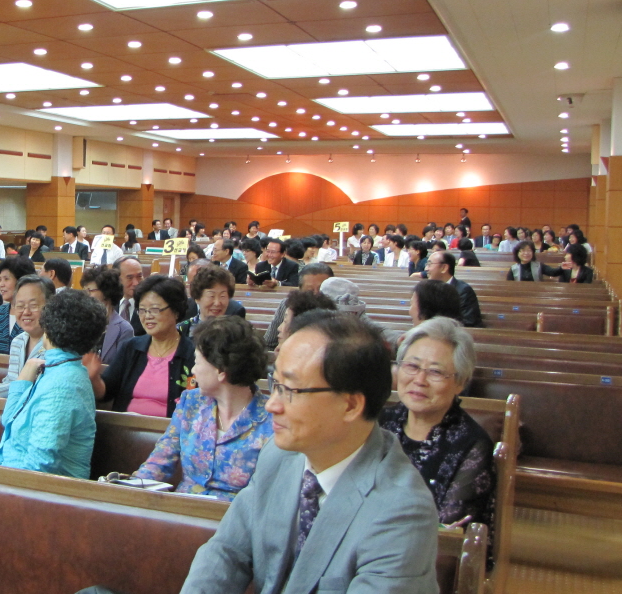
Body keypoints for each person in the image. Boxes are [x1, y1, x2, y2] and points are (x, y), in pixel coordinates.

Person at [180, 313, 439, 593]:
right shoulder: (279, 456)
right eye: (275, 384)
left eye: (290, 390)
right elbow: (227, 552)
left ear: (351, 405)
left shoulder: (401, 510)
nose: (272, 405)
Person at [133, 316, 272, 500]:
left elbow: (269, 494)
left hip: (236, 514)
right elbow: (161, 459)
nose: (193, 370)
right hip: (183, 509)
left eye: (197, 362)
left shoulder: (271, 420)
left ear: (221, 370)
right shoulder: (191, 402)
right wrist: (130, 488)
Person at [380, 317, 495, 537]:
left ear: (460, 382)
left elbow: (449, 531)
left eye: (435, 372)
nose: (420, 380)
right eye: (412, 366)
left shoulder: (472, 446)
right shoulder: (378, 423)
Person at [0, 289, 107, 478]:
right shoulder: (57, 367)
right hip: (12, 476)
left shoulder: (63, 385)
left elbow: (39, 466)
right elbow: (9, 421)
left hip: (31, 488)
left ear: (47, 326)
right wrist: (24, 378)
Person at [89, 275, 195, 418]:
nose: (147, 316)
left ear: (176, 311)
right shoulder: (131, 347)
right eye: (142, 310)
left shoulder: (191, 353)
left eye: (155, 309)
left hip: (170, 430)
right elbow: (106, 393)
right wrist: (94, 378)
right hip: (125, 428)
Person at [0, 275, 55, 398]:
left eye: (33, 305)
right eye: (20, 306)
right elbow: (12, 381)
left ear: (50, 306)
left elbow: (38, 386)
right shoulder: (18, 341)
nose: (26, 312)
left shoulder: (55, 344)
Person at [263, 263, 334, 350]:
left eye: (321, 289)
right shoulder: (288, 304)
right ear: (300, 290)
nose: (316, 294)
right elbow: (269, 343)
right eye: (310, 290)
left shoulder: (335, 308)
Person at [79, 266, 134, 366]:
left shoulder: (124, 329)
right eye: (85, 290)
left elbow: (122, 368)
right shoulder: (81, 322)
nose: (86, 295)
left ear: (106, 292)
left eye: (90, 290)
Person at [0, 255, 37, 354]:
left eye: (6, 279)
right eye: (0, 279)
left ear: (22, 281)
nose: (1, 284)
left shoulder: (35, 313)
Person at [177, 265, 239, 338]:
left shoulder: (237, 332)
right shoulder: (182, 330)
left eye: (222, 296)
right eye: (211, 296)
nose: (217, 303)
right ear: (197, 298)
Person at [425, 251, 482, 328]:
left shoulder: (463, 291)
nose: (426, 269)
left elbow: (468, 322)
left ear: (444, 268)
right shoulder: (428, 289)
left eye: (429, 264)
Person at [114, 256, 146, 335]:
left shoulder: (150, 304)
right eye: (130, 278)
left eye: (139, 276)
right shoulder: (109, 302)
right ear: (117, 279)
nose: (136, 283)